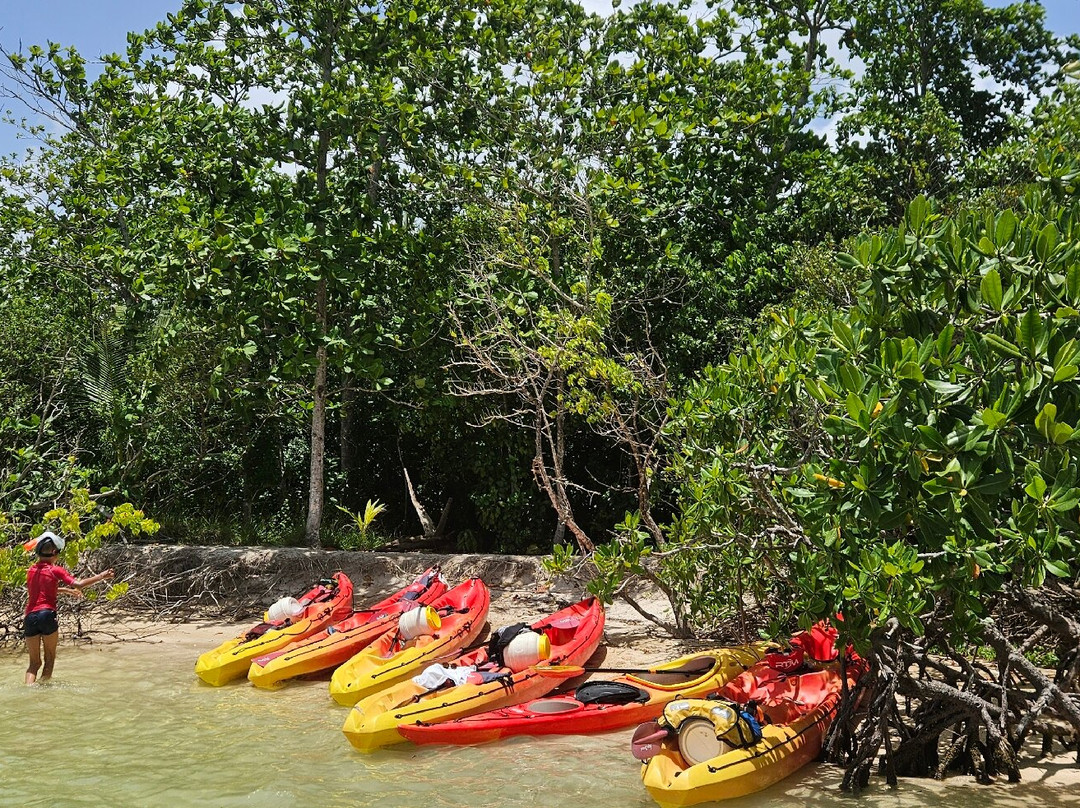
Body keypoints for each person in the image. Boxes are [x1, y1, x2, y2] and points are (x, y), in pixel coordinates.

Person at [24, 531, 114, 685]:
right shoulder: (55, 570)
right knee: (50, 659)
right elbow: (78, 583)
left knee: (34, 664)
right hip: (47, 615)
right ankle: (44, 694)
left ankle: (28, 692)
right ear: (54, 553)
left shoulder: (32, 570)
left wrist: (65, 591)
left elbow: (38, 592)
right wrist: (101, 576)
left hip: (30, 617)